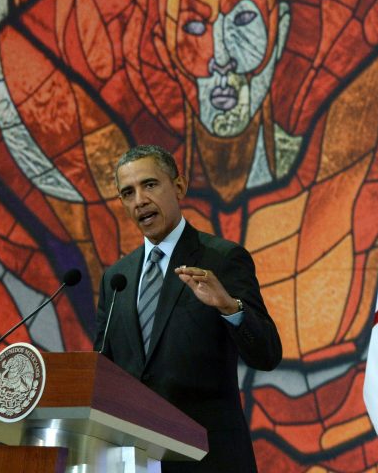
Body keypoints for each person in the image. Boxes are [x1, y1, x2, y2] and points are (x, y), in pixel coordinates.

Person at [94, 144, 282, 472]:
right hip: (135, 460)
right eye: (128, 192)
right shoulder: (116, 278)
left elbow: (266, 353)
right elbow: (104, 372)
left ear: (179, 187)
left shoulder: (221, 259)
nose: (139, 200)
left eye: (149, 185)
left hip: (209, 458)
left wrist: (229, 306)